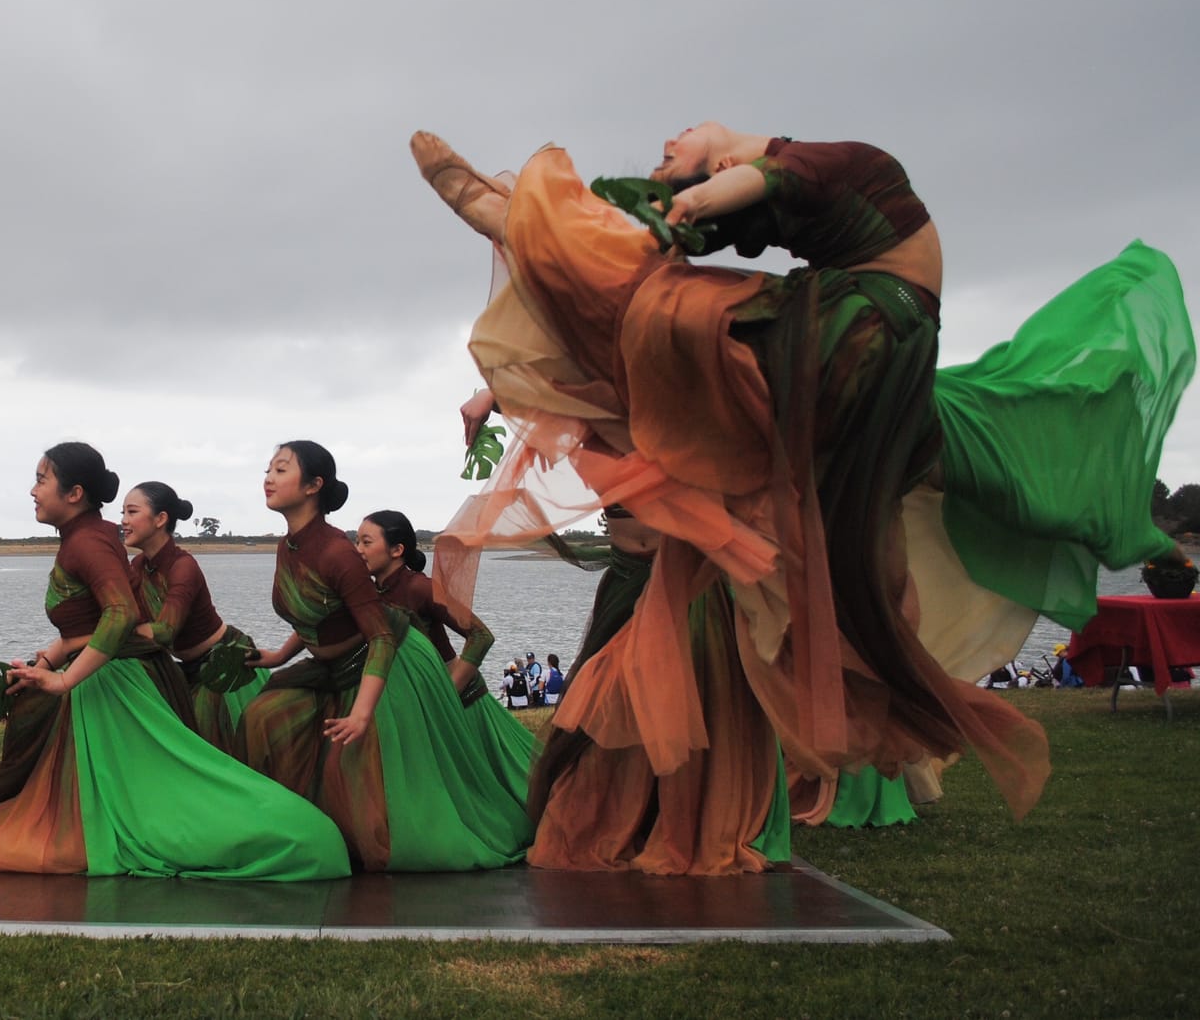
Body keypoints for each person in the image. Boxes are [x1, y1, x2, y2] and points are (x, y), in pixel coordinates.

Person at [414, 123, 1189, 874]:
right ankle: (894, 660)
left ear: (715, 150)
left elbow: (765, 178)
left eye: (673, 149)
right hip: (875, 360)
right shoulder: (768, 199)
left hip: (855, 332)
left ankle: (510, 215)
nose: (664, 150)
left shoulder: (820, 162)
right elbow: (713, 219)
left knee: (661, 311)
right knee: (857, 539)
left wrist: (686, 208)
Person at [0, 442, 347, 879]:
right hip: (112, 678)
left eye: (41, 480)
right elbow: (98, 621)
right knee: (154, 787)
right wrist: (47, 659)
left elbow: (126, 618)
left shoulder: (123, 552)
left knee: (188, 776)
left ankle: (284, 831)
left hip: (154, 677)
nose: (32, 490)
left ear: (74, 493)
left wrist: (65, 680)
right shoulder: (104, 547)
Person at [240, 440, 533, 871]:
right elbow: (321, 615)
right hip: (342, 668)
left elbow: (467, 636)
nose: (268, 477)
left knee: (404, 778)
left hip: (398, 673)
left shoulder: (393, 577)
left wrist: (444, 689)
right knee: (264, 719)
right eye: (268, 468)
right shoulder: (292, 548)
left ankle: (378, 841)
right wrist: (278, 656)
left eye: (281, 469)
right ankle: (290, 829)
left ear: (313, 486)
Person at [357, 507, 539, 797]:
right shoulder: (370, 593)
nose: (359, 550)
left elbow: (481, 636)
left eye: (366, 542)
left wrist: (446, 693)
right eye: (357, 542)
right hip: (417, 706)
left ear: (397, 550)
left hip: (462, 704)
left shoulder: (421, 587)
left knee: (505, 786)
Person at [120, 481, 269, 755]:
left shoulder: (183, 566)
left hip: (224, 661)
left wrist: (112, 637)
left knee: (211, 748)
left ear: (160, 519)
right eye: (123, 513)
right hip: (185, 668)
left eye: (131, 512)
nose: (123, 521)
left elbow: (165, 631)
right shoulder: (138, 566)